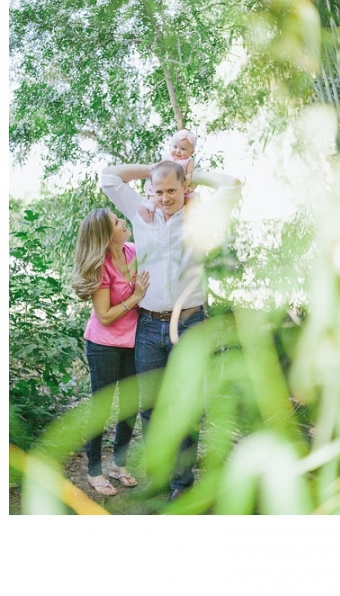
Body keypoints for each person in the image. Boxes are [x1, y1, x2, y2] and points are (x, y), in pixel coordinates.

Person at [101, 160, 242, 500]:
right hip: (149, 325)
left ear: (184, 187)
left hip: (190, 325)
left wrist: (191, 171)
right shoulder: (140, 212)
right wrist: (153, 167)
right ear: (150, 190)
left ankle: (182, 484)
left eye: (172, 190)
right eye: (158, 191)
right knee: (150, 408)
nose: (164, 198)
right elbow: (108, 177)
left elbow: (233, 185)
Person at [71, 208, 150, 495]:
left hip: (133, 342)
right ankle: (94, 470)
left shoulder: (132, 251)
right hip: (103, 344)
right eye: (117, 222)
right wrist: (136, 297)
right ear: (106, 235)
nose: (123, 222)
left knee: (130, 404)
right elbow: (104, 315)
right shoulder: (100, 266)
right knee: (101, 407)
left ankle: (119, 463)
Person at [138, 129, 197, 223]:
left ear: (192, 152)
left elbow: (190, 172)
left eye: (183, 149)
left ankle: (189, 215)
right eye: (175, 147)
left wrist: (189, 176)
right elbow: (161, 166)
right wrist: (155, 166)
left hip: (179, 186)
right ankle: (149, 208)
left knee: (189, 199)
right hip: (164, 184)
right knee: (155, 195)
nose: (178, 151)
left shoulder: (188, 161)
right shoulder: (168, 157)